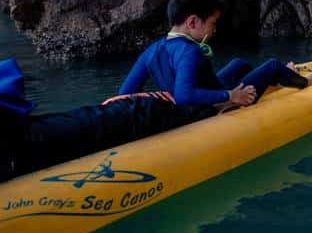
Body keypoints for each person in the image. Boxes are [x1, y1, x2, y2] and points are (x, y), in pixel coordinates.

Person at [1, 58, 210, 182]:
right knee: (134, 112)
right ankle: (218, 99)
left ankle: (219, 99)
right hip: (19, 142)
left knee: (132, 112)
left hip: (19, 139)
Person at [117, 0, 312, 107]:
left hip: (212, 88)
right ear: (192, 22)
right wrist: (231, 96)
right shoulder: (188, 50)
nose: (215, 30)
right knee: (272, 65)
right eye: (212, 24)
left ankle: (275, 81)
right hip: (211, 105)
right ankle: (306, 82)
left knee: (239, 63)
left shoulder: (151, 50)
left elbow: (124, 94)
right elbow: (184, 96)